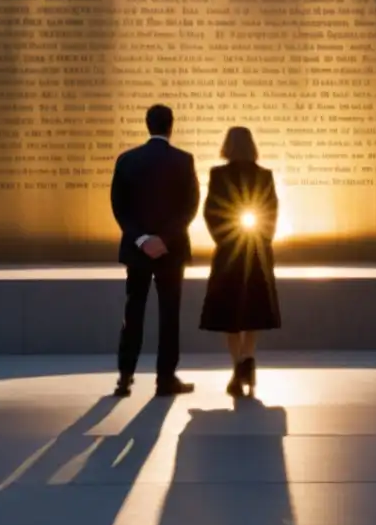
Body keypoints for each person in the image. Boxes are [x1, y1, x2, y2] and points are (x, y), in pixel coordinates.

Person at [110, 104, 201, 397]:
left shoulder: (127, 160)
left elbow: (119, 207)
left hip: (137, 252)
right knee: (169, 314)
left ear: (147, 125)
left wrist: (140, 239)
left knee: (133, 311)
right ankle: (165, 379)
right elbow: (190, 207)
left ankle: (125, 377)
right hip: (170, 251)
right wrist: (164, 239)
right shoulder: (184, 160)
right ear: (170, 126)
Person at [200, 126, 281, 397]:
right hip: (256, 250)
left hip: (229, 252)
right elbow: (271, 211)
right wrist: (264, 239)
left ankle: (238, 364)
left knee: (229, 313)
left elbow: (211, 211)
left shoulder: (218, 174)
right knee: (254, 310)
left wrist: (223, 240)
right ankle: (248, 356)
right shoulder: (264, 175)